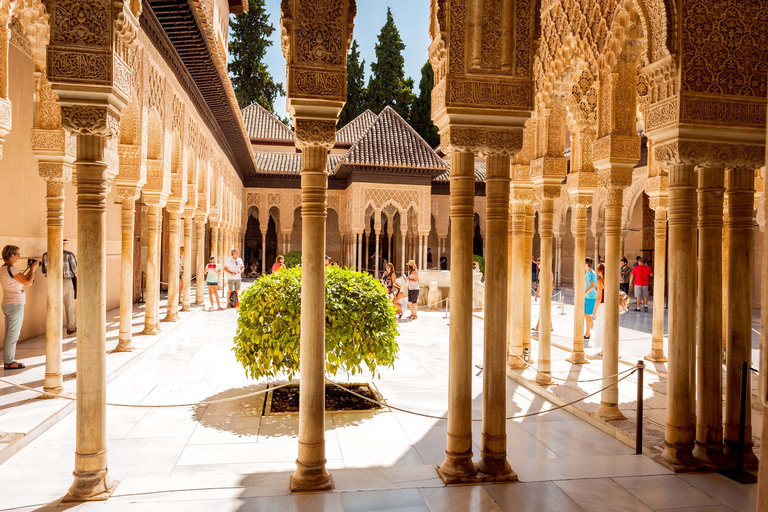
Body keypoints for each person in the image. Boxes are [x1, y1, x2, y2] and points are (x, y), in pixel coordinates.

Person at [1, 245, 38, 369]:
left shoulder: (3, 268)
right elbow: (28, 282)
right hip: (15, 304)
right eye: (18, 254)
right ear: (12, 256)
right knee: (13, 335)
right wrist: (33, 269)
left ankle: (8, 360)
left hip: (8, 303)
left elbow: (20, 280)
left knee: (9, 334)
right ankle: (9, 362)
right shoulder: (12, 269)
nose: (19, 256)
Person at [41, 238, 78, 335]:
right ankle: (71, 328)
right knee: (69, 307)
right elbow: (75, 270)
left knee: (53, 307)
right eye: (65, 243)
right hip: (66, 281)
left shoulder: (45, 255)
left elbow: (44, 270)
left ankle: (53, 330)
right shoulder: (69, 255)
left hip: (52, 283)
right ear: (63, 244)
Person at [592, 263, 606, 356]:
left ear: (600, 271)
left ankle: (603, 351)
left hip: (603, 306)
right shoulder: (612, 280)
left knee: (602, 328)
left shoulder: (600, 282)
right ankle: (604, 350)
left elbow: (599, 297)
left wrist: (594, 310)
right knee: (608, 328)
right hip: (611, 306)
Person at [584, 257, 598, 341]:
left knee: (587, 315)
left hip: (591, 297)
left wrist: (584, 293)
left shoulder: (592, 273)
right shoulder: (587, 273)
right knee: (586, 315)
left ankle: (587, 333)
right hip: (587, 296)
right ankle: (593, 330)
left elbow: (592, 286)